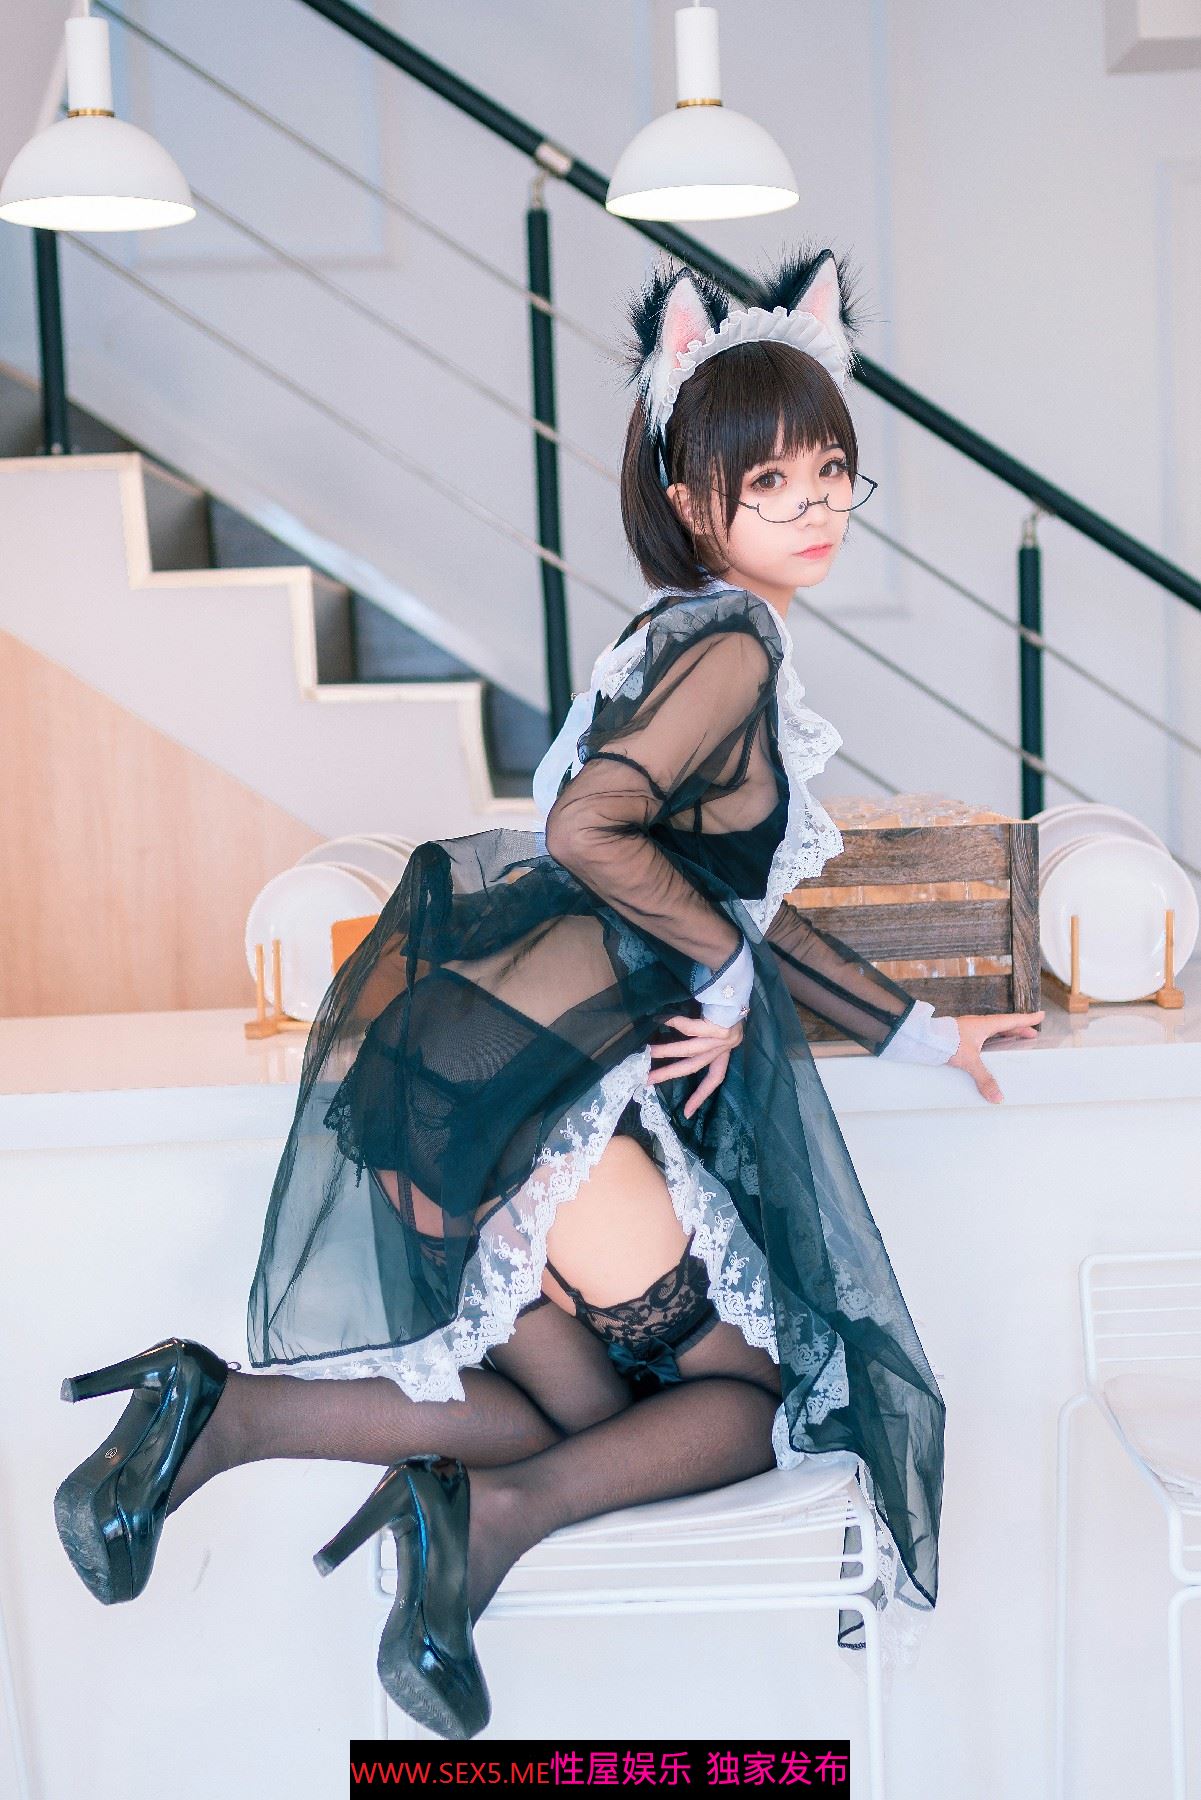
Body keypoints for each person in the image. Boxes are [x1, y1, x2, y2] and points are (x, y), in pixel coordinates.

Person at [52, 243, 1045, 1741]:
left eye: (833, 471)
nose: (817, 506)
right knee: (745, 1402)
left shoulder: (664, 640)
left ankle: (221, 1414)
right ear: (692, 500)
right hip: (532, 1106)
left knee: (565, 1414)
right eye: (771, 482)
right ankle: (483, 1527)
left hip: (446, 1087)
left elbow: (716, 894)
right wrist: (724, 968)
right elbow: (596, 832)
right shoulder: (727, 643)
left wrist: (918, 1028)